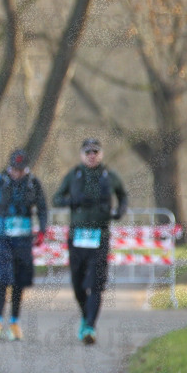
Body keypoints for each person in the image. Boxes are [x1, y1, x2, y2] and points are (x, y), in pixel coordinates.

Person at [51, 138, 127, 345]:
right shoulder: (73, 175)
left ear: (101, 154)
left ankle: (90, 327)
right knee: (77, 283)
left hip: (99, 236)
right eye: (88, 152)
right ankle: (86, 316)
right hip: (77, 237)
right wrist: (72, 201)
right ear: (81, 155)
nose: (92, 155)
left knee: (95, 284)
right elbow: (56, 199)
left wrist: (119, 211)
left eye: (95, 151)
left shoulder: (109, 176)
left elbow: (123, 196)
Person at [0, 149, 48, 341]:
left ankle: (14, 323)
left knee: (19, 281)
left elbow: (42, 208)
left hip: (24, 238)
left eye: (21, 169)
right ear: (9, 167)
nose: (17, 173)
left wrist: (42, 230)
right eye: (14, 169)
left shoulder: (33, 183)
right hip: (2, 236)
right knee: (3, 278)